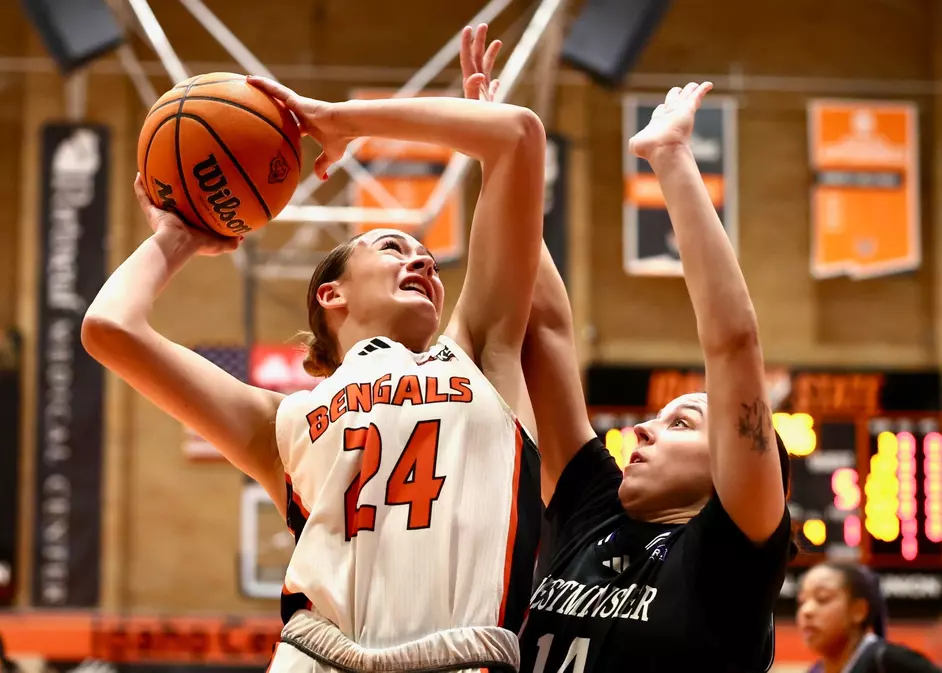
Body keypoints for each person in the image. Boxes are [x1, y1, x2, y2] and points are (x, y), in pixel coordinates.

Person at [82, 77, 546, 672]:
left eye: (425, 257)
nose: (423, 261)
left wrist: (344, 119)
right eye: (391, 248)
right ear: (332, 293)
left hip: (461, 659)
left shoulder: (479, 354)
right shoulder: (281, 421)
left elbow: (517, 135)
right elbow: (109, 329)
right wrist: (175, 238)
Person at [460, 26, 794, 672]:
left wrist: (671, 159)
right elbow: (547, 325)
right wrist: (499, 159)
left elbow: (733, 345)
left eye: (682, 422)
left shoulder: (732, 553)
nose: (642, 427)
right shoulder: (594, 511)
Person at [799, 562, 941, 673]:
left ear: (858, 611)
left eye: (822, 598)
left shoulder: (891, 662)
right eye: (802, 601)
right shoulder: (815, 671)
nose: (806, 611)